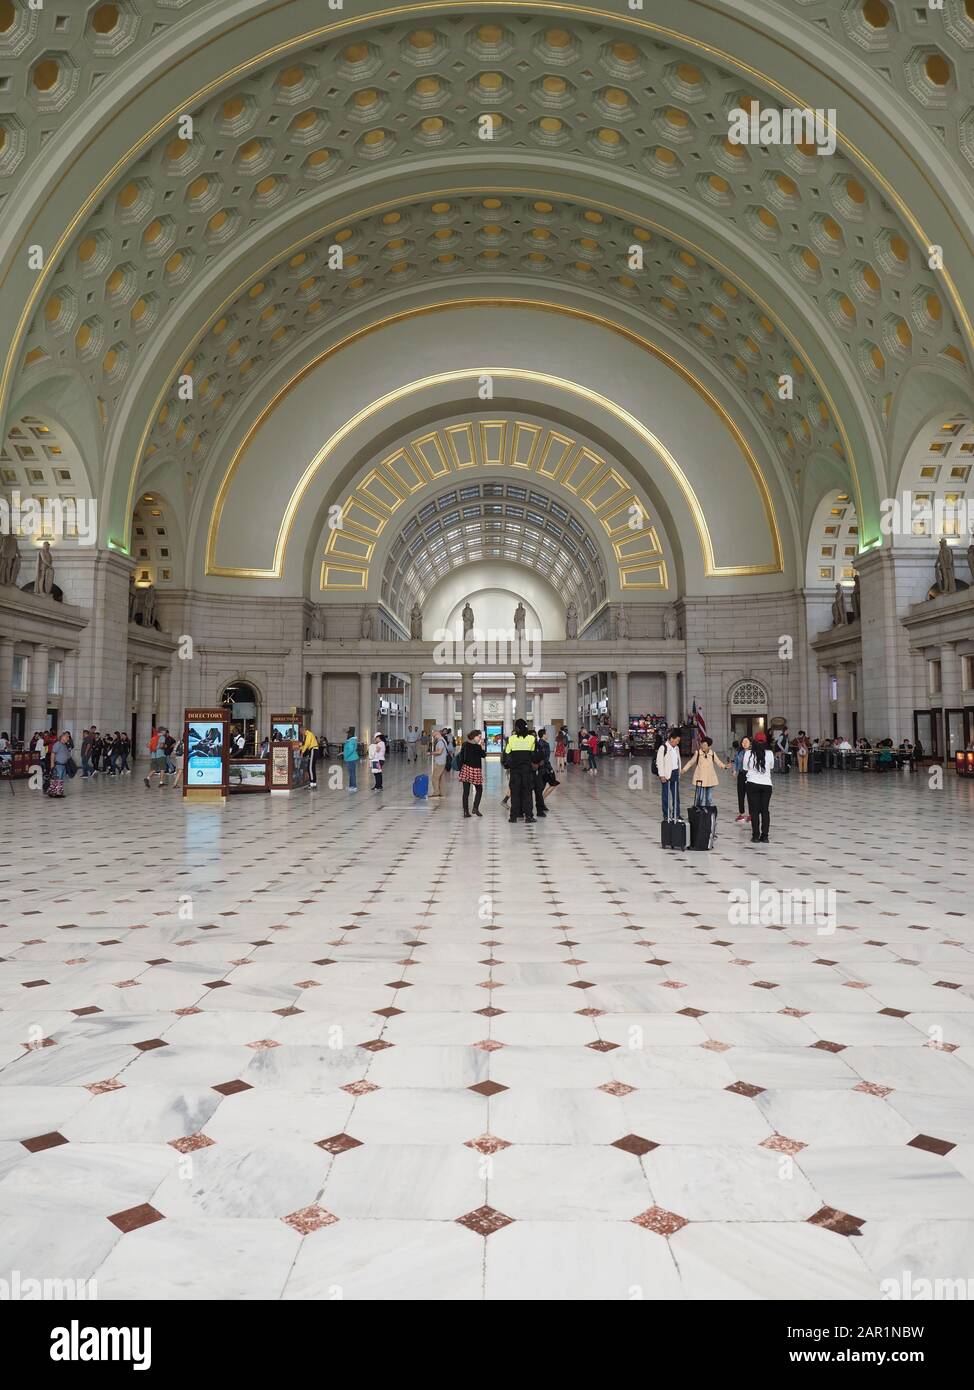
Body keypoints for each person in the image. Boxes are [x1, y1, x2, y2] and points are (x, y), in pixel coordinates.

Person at [503, 718, 537, 824]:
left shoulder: (511, 739)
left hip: (515, 770)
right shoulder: (531, 738)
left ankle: (513, 817)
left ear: (516, 728)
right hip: (527, 770)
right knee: (527, 793)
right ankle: (529, 816)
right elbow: (533, 754)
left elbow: (507, 753)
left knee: (515, 793)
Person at [742, 732, 773, 844]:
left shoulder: (748, 753)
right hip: (767, 785)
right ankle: (765, 836)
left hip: (752, 784)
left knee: (754, 811)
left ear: (754, 742)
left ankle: (755, 836)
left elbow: (745, 768)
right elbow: (771, 766)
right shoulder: (769, 753)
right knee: (765, 810)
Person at [681, 735, 727, 808]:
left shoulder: (712, 754)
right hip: (700, 779)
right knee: (699, 797)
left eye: (705, 745)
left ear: (709, 746)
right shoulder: (698, 753)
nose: (703, 746)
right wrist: (684, 769)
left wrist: (724, 766)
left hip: (710, 779)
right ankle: (698, 810)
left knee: (709, 798)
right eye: (702, 744)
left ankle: (707, 812)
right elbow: (691, 762)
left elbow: (718, 762)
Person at [655, 727, 682, 826]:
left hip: (675, 773)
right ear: (671, 739)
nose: (677, 742)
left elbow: (678, 760)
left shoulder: (676, 748)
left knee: (676, 796)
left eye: (679, 740)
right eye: (677, 740)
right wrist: (661, 775)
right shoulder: (663, 747)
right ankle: (666, 815)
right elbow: (659, 762)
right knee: (666, 795)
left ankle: (676, 814)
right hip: (666, 774)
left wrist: (679, 770)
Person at [457, 728, 486, 817]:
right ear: (474, 737)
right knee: (479, 789)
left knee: (466, 792)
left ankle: (466, 812)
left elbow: (461, 757)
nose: (479, 739)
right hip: (475, 770)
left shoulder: (465, 745)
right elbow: (483, 755)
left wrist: (461, 768)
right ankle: (475, 808)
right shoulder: (477, 746)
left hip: (466, 769)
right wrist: (482, 747)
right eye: (479, 737)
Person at [533, 726, 557, 816]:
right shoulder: (545, 744)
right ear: (543, 735)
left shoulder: (538, 743)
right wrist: (549, 768)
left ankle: (541, 803)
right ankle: (541, 802)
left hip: (541, 768)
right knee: (553, 784)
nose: (548, 735)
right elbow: (545, 758)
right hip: (546, 768)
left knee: (541, 787)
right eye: (546, 733)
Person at [47, 731, 73, 799]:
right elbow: (53, 754)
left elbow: (67, 755)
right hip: (58, 765)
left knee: (60, 780)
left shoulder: (64, 745)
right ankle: (56, 793)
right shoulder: (57, 744)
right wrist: (52, 765)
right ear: (63, 737)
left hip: (64, 765)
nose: (68, 738)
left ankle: (56, 792)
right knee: (57, 779)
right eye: (67, 737)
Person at [731, 737, 751, 823]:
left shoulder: (753, 753)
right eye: (743, 742)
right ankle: (741, 814)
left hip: (750, 776)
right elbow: (735, 762)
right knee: (740, 794)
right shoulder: (739, 752)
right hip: (741, 775)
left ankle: (751, 815)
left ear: (750, 743)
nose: (745, 743)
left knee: (751, 796)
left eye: (747, 742)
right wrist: (735, 770)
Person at [430, 726, 449, 797]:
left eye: (434, 735)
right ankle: (442, 792)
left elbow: (439, 752)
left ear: (437, 733)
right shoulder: (443, 740)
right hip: (442, 761)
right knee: (441, 778)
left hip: (439, 762)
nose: (433, 736)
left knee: (434, 778)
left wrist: (431, 753)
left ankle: (436, 792)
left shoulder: (440, 741)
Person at [342, 726, 359, 791]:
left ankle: (354, 787)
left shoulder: (351, 740)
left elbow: (351, 749)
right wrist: (344, 752)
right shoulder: (351, 740)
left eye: (348, 733)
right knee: (351, 773)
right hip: (351, 758)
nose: (347, 734)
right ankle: (351, 786)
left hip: (350, 758)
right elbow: (348, 749)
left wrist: (346, 755)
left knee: (352, 773)